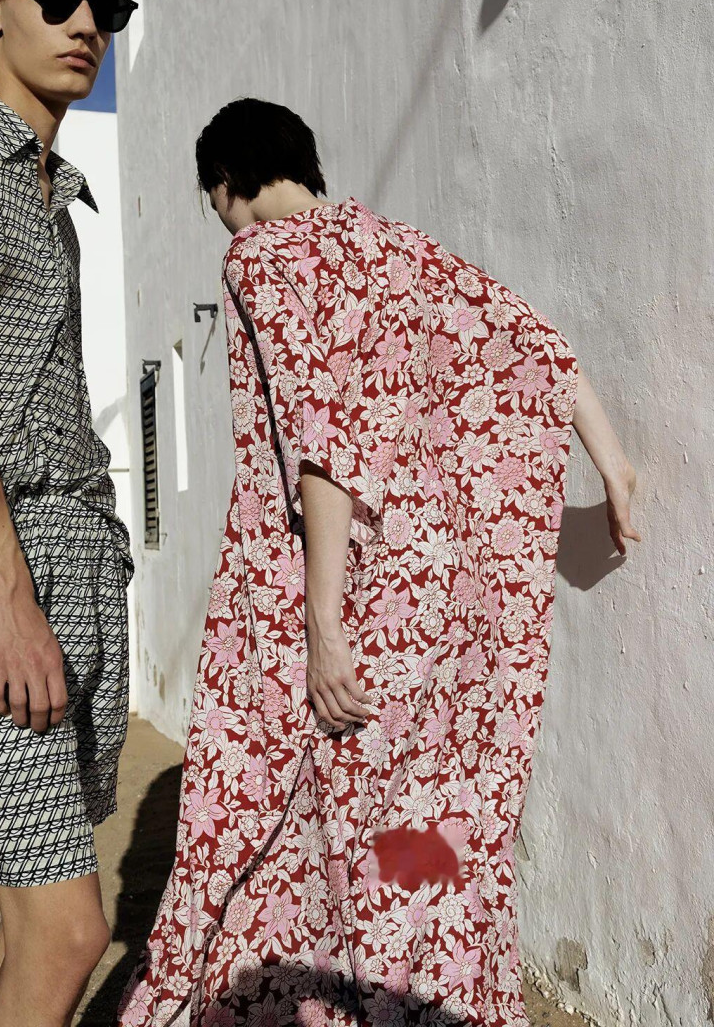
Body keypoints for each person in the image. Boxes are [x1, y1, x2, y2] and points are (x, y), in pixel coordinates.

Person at [118, 97, 640, 1027]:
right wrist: (612, 464)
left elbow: (323, 441)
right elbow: (533, 345)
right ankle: (433, 999)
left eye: (214, 201)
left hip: (338, 586)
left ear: (226, 183)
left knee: (287, 817)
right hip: (430, 595)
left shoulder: (262, 257)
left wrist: (322, 625)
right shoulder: (396, 244)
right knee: (418, 823)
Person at [0, 0, 138, 1025]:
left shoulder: (55, 190)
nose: (85, 22)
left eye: (106, 4)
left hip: (77, 566)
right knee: (68, 931)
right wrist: (8, 601)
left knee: (25, 921)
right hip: (12, 575)